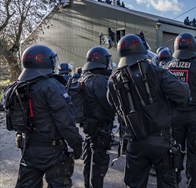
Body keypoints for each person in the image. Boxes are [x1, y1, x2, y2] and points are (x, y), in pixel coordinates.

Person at [107, 34, 190, 187]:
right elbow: (183, 94)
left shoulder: (113, 79)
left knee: (135, 184)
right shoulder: (158, 72)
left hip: (134, 141)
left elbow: (112, 103)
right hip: (160, 141)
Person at [5, 45, 82, 187]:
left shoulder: (19, 86)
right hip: (52, 151)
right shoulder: (51, 86)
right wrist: (77, 145)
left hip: (28, 148)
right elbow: (66, 122)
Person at [163, 33, 196, 187]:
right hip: (195, 118)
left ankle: (174, 181)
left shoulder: (168, 66)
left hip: (174, 117)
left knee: (174, 151)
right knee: (194, 154)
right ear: (194, 47)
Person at [80, 46, 115, 187]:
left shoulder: (85, 78)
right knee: (99, 163)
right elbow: (109, 104)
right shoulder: (100, 80)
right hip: (100, 128)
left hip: (89, 126)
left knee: (88, 160)